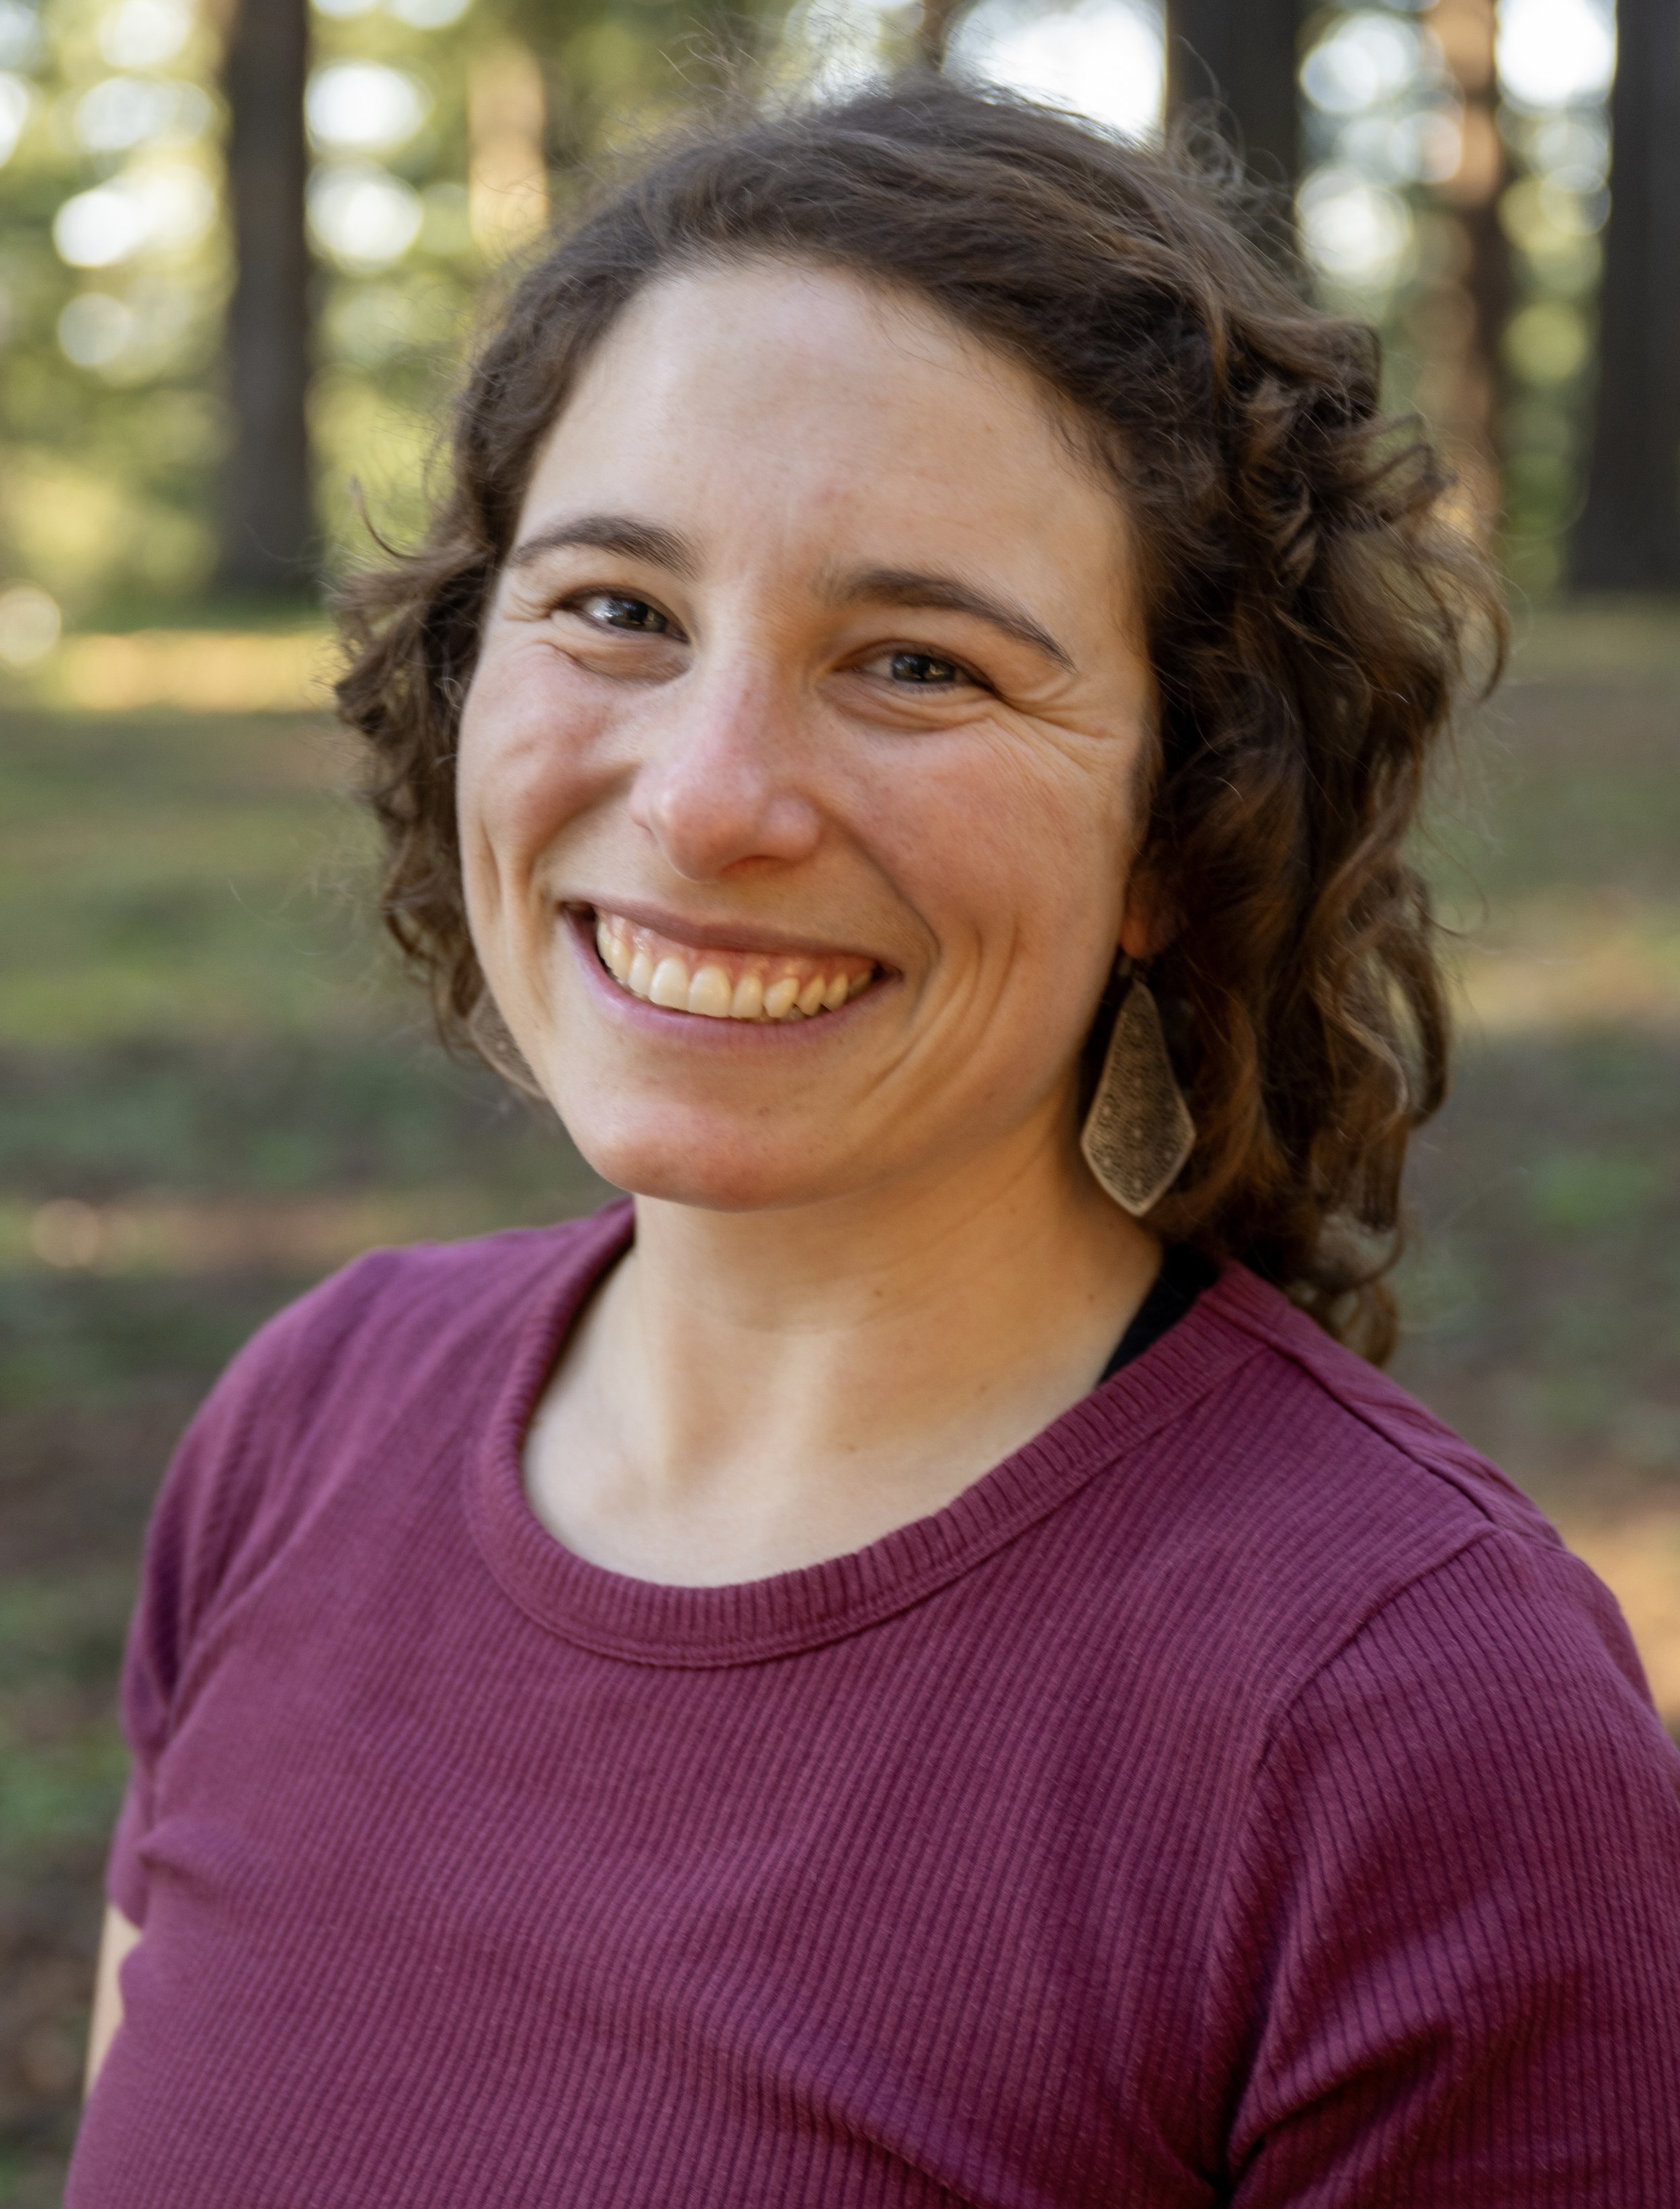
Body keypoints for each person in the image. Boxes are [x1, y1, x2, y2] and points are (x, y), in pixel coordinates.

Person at [70, 77, 1680, 2208]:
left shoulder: (1407, 1730)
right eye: (617, 611)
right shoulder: (307, 1427)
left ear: (1182, 833)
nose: (715, 795)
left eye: (916, 662)